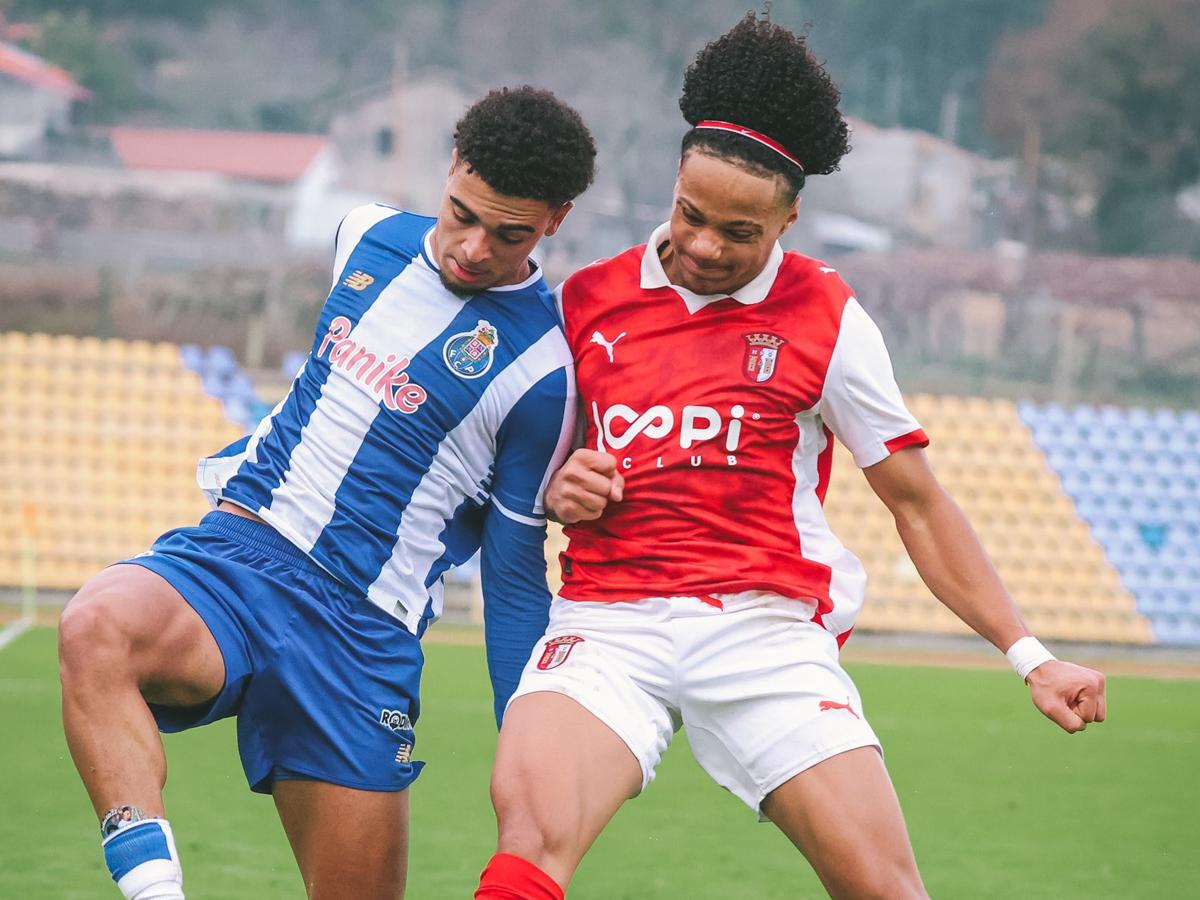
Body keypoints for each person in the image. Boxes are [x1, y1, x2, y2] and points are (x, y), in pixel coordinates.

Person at [474, 16, 1106, 900]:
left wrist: (1031, 656)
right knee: (529, 838)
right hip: (609, 623)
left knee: (886, 887)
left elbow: (916, 503)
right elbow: (530, 462)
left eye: (740, 232)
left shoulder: (828, 317)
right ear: (674, 182)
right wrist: (562, 484)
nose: (703, 246)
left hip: (764, 631)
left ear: (789, 218)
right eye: (692, 215)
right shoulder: (587, 301)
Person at [57, 85, 596, 900]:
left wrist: (531, 737)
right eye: (463, 213)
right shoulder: (366, 236)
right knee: (94, 625)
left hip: (360, 639)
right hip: (238, 558)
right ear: (450, 167)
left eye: (509, 232)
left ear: (555, 220)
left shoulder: (546, 375)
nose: (475, 248)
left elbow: (515, 572)